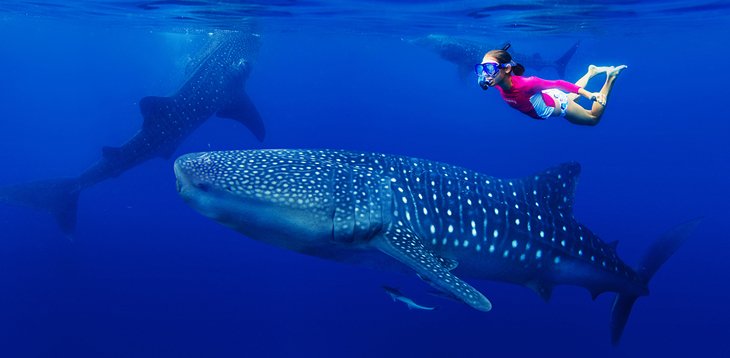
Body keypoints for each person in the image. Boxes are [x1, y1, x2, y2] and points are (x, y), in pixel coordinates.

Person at [476, 44, 626, 126]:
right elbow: (486, 80)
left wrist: (589, 95)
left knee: (592, 118)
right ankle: (591, 72)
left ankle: (611, 78)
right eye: (481, 69)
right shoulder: (496, 82)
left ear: (507, 69)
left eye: (489, 69)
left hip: (560, 105)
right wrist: (483, 80)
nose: (485, 74)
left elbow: (559, 83)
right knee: (569, 98)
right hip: (550, 98)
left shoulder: (527, 84)